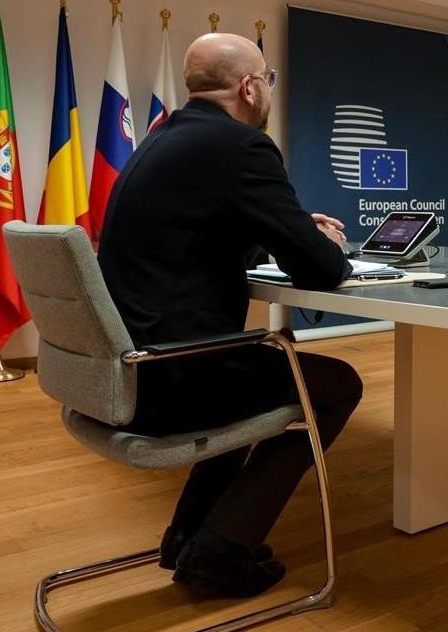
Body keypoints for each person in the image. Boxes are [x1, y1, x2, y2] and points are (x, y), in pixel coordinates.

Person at [97, 33, 362, 598]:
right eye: (268, 80)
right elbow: (321, 270)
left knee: (252, 371)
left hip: (123, 369)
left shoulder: (162, 137)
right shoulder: (242, 147)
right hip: (171, 377)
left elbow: (196, 236)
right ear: (248, 87)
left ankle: (191, 534)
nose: (268, 90)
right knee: (336, 384)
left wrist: (284, 229)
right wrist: (313, 241)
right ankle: (222, 550)